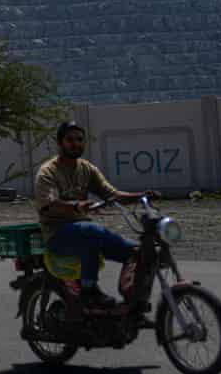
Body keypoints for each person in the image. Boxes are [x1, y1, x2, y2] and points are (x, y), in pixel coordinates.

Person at [35, 121, 157, 309]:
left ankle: (134, 296)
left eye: (79, 140)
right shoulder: (47, 172)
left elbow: (112, 194)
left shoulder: (87, 169)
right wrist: (76, 206)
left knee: (138, 252)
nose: (75, 143)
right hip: (57, 235)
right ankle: (88, 291)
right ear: (60, 143)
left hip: (83, 231)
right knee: (91, 230)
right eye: (70, 140)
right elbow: (48, 205)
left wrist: (141, 196)